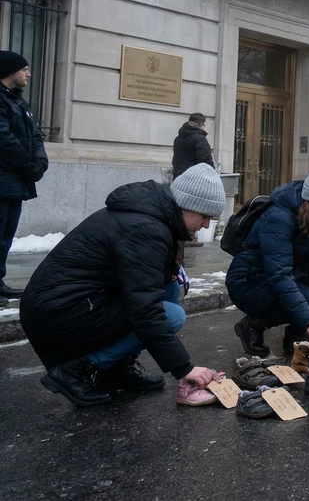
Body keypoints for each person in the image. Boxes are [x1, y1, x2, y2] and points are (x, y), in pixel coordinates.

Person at [19, 164, 226, 406]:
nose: (206, 226)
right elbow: (144, 309)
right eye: (205, 216)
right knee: (171, 316)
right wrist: (184, 368)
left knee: (169, 289)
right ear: (187, 205)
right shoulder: (145, 229)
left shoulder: (151, 216)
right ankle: (75, 370)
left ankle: (117, 369)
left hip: (66, 303)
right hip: (57, 313)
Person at [226, 164, 309, 357]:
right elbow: (279, 275)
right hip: (250, 282)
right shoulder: (278, 218)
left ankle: (295, 337)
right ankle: (252, 325)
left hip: (284, 273)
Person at [0, 51, 46, 300]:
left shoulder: (18, 101)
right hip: (6, 177)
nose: (28, 74)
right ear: (10, 72)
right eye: (24, 69)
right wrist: (28, 163)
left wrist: (41, 161)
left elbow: (35, 134)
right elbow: (4, 138)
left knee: (6, 233)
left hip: (15, 181)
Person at [171, 112, 214, 179]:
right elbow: (205, 162)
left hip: (178, 178)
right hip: (193, 180)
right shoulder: (200, 139)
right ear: (201, 124)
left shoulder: (178, 138)